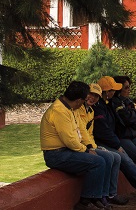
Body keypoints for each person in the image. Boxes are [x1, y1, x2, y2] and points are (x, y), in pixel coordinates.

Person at [40, 80, 110, 210]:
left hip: (67, 150)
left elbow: (78, 131)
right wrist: (86, 150)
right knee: (98, 162)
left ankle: (96, 197)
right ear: (78, 101)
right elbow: (70, 140)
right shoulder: (59, 111)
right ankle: (85, 201)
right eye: (83, 100)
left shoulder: (68, 108)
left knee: (106, 158)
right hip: (56, 154)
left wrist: (89, 147)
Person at [77, 84, 126, 206]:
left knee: (116, 157)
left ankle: (110, 194)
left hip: (89, 144)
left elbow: (89, 133)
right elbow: (81, 131)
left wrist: (94, 146)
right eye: (91, 94)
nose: (92, 98)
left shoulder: (91, 111)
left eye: (96, 96)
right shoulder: (78, 109)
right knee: (108, 158)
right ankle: (99, 195)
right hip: (80, 146)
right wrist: (91, 147)